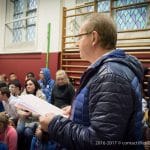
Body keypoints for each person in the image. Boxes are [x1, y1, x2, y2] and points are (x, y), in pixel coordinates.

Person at [39, 13, 144, 150]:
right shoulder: (108, 71)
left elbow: (100, 142)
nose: (77, 43)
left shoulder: (110, 76)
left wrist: (54, 124)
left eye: (80, 37)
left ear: (94, 37)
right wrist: (78, 109)